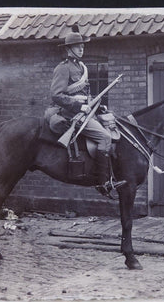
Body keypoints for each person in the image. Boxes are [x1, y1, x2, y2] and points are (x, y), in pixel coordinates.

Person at [45, 25, 126, 196]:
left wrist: (95, 103)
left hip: (85, 111)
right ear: (69, 49)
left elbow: (84, 93)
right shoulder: (63, 68)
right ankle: (103, 182)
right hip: (71, 113)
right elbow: (56, 95)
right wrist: (78, 106)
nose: (82, 48)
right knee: (105, 137)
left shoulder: (82, 67)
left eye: (83, 46)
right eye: (78, 46)